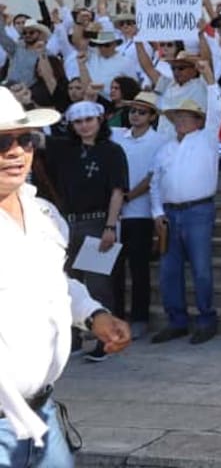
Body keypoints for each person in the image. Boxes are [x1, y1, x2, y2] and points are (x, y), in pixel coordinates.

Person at [0, 87, 133, 465]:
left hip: (43, 416)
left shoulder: (44, 214)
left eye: (25, 139)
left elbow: (53, 282)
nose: (16, 152)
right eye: (2, 142)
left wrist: (93, 314)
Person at [43, 100, 129, 362]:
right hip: (67, 224)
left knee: (99, 285)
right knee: (66, 282)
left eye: (89, 120)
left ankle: (105, 340)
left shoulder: (112, 151)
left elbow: (117, 191)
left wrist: (110, 226)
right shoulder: (64, 148)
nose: (84, 126)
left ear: (99, 120)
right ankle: (73, 339)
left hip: (97, 222)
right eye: (78, 122)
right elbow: (34, 138)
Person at [148, 59, 221, 344]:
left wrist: (210, 79)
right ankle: (176, 320)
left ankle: (206, 318)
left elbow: (216, 111)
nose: (180, 120)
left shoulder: (208, 138)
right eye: (177, 116)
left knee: (201, 269)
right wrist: (157, 213)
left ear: (199, 121)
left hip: (198, 211)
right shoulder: (165, 149)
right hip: (170, 213)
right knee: (170, 271)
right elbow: (155, 183)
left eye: (186, 116)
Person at [110, 91, 169, 341]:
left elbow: (153, 176)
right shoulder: (117, 136)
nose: (135, 115)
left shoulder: (160, 141)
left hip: (141, 213)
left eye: (142, 112)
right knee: (114, 270)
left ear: (152, 116)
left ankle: (139, 318)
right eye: (132, 110)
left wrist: (129, 196)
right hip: (116, 215)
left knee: (138, 269)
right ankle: (114, 317)